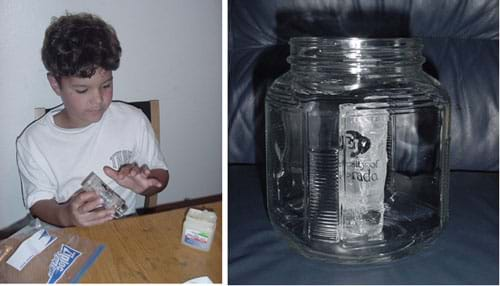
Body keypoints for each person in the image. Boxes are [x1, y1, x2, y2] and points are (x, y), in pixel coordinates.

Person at [16, 12, 169, 227]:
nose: (98, 99)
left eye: (106, 85)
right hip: (69, 235)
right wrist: (66, 216)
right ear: (55, 85)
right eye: (82, 90)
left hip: (125, 230)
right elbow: (38, 202)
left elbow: (160, 174)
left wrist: (146, 183)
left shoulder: (132, 120)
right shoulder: (34, 141)